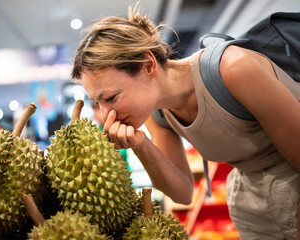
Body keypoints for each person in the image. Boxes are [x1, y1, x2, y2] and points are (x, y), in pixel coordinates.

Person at [71, 5, 300, 240]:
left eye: (110, 98)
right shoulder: (156, 112)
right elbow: (182, 193)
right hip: (250, 201)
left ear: (148, 64)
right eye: (99, 103)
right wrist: (141, 145)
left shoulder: (234, 69)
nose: (107, 115)